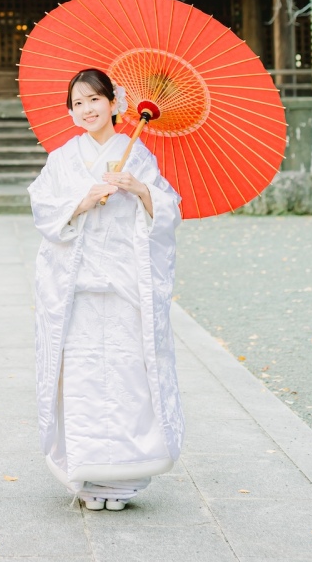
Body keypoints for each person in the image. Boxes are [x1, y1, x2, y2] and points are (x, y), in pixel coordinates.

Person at [28, 67, 184, 511]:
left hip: (124, 286)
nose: (86, 109)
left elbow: (168, 210)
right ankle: (88, 477)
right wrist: (80, 202)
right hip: (77, 289)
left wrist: (140, 190)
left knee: (127, 376)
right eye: (77, 103)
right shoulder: (62, 158)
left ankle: (125, 479)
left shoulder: (138, 156)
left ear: (114, 103)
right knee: (82, 380)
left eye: (94, 99)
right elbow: (43, 207)